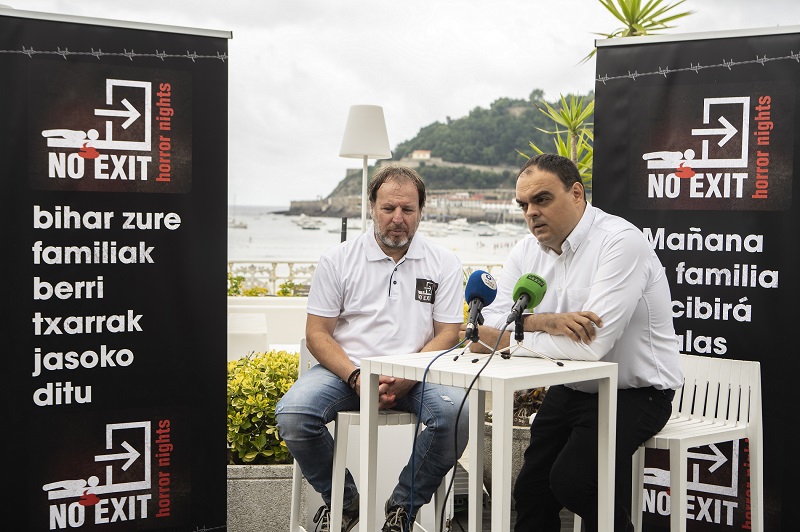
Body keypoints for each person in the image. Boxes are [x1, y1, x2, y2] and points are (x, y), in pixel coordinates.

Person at [469, 154, 683, 532]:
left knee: (574, 481)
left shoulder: (620, 242)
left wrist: (512, 336)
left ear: (577, 194)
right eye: (524, 205)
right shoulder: (526, 251)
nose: (531, 213)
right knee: (531, 492)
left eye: (542, 199)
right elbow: (487, 329)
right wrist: (545, 322)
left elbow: (589, 348)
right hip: (570, 386)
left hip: (637, 392)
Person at [276, 164, 469, 532]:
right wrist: (356, 377)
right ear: (371, 207)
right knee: (294, 415)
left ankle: (401, 509)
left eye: (408, 209)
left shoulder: (444, 262)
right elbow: (317, 333)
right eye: (388, 208)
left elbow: (448, 333)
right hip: (346, 371)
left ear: (421, 211)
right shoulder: (338, 260)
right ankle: (345, 503)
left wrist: (408, 376)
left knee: (457, 415)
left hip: (418, 371)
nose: (398, 218)